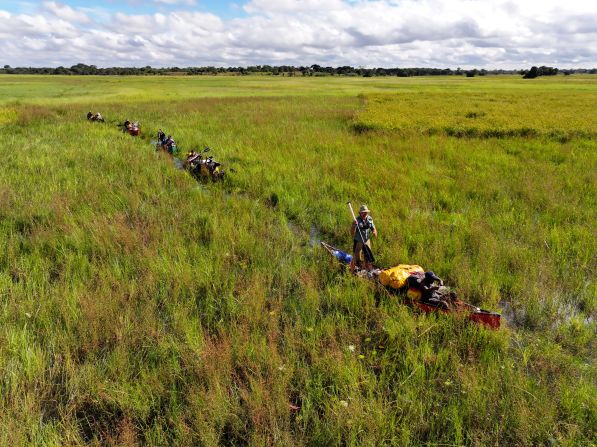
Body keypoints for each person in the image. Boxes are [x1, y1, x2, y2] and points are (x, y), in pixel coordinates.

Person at [350, 204, 377, 272]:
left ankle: (366, 268)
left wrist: (374, 232)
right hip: (358, 241)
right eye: (363, 212)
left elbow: (373, 229)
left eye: (366, 212)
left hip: (366, 240)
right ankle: (352, 270)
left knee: (367, 256)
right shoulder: (356, 220)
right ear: (360, 213)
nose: (365, 213)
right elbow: (352, 233)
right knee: (356, 257)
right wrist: (354, 226)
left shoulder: (370, 219)